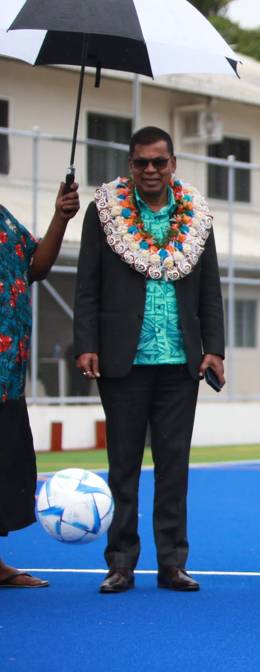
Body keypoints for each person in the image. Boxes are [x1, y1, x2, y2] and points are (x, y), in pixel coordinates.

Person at [74, 126, 225, 594]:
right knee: (122, 465)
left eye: (159, 162)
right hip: (123, 360)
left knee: (174, 464)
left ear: (173, 163)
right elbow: (87, 284)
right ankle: (120, 563)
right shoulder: (104, 212)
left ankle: (172, 563)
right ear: (130, 165)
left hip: (181, 361)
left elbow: (210, 291)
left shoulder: (197, 215)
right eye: (141, 162)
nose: (151, 170)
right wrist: (86, 341)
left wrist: (214, 349)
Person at [1, 182, 80, 587]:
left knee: (5, 471)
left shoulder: (4, 222)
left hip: (7, 375)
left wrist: (61, 218)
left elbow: (37, 267)